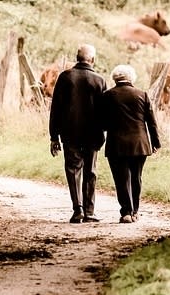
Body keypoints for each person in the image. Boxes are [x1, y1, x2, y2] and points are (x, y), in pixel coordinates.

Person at [49, 44, 107, 223]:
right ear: (93, 60)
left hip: (70, 133)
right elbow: (105, 111)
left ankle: (78, 209)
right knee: (90, 171)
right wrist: (104, 131)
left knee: (73, 170)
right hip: (93, 134)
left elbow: (56, 109)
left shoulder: (65, 77)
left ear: (77, 57)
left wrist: (54, 136)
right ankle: (90, 212)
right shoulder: (99, 80)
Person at [101, 64, 160, 224]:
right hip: (140, 144)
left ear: (115, 78)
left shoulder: (107, 96)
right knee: (136, 177)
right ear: (131, 78)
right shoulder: (142, 95)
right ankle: (135, 211)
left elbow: (103, 123)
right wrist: (155, 142)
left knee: (121, 179)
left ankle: (126, 211)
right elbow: (151, 122)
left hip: (116, 144)